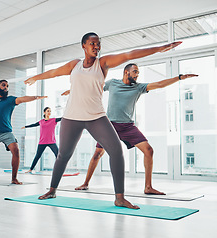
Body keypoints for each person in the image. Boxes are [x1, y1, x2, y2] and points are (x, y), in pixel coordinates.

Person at [25, 32, 181, 209]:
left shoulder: (102, 63)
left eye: (98, 44)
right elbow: (54, 72)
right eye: (92, 43)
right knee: (64, 155)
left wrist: (159, 49)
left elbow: (129, 55)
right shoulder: (74, 65)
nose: (96, 47)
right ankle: (52, 190)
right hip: (72, 117)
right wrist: (35, 78)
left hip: (96, 117)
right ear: (83, 45)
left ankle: (119, 198)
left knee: (116, 151)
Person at [69, 64, 198, 194]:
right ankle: (85, 183)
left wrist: (180, 77)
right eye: (135, 72)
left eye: (138, 73)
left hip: (127, 127)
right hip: (110, 126)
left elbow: (159, 84)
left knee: (148, 150)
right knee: (97, 154)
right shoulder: (113, 83)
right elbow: (94, 88)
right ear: (126, 72)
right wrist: (74, 91)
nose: (137, 75)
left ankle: (148, 187)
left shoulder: (139, 87)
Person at [22, 107, 61, 173]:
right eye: (48, 111)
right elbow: (34, 125)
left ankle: (59, 170)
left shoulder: (53, 120)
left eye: (50, 111)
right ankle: (30, 169)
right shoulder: (41, 122)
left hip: (51, 141)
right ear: (44, 112)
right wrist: (25, 127)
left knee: (58, 155)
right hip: (42, 142)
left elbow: (62, 118)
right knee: (37, 156)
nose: (49, 112)